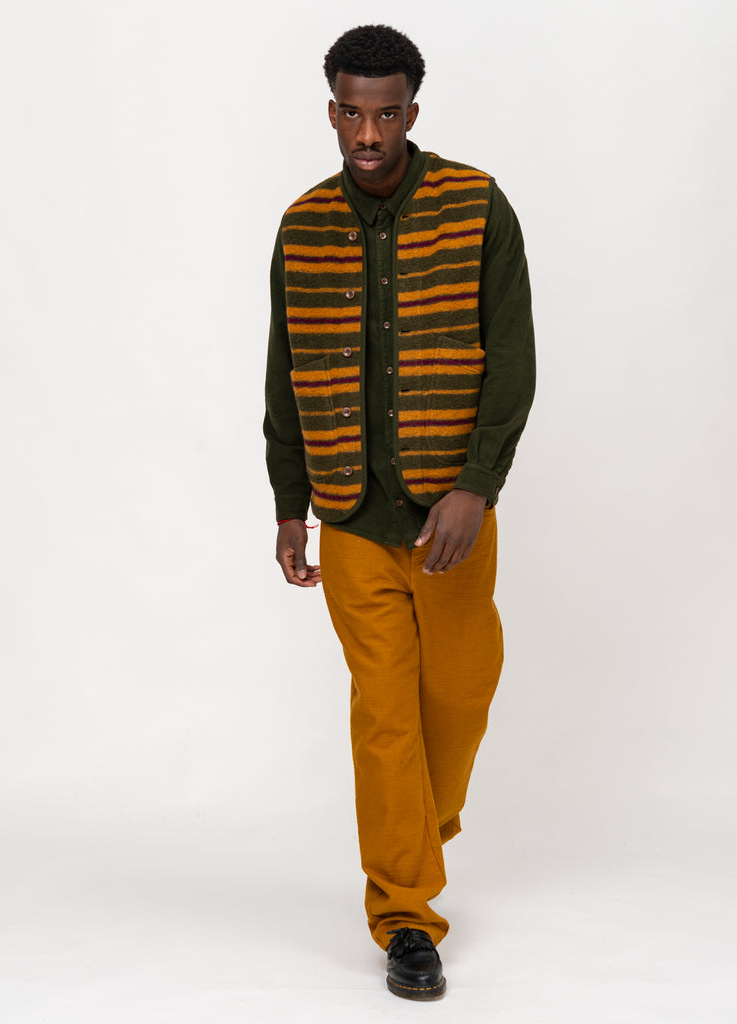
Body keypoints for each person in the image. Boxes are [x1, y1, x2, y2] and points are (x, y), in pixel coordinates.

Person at [264, 24, 535, 1001]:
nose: (368, 133)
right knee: (383, 715)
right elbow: (283, 372)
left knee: (458, 694)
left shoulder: (475, 207)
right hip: (349, 518)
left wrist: (474, 485)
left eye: (386, 113)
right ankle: (405, 915)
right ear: (332, 111)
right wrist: (288, 504)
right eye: (352, 112)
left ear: (411, 112)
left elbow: (512, 360)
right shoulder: (301, 227)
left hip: (448, 521)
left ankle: (416, 829)